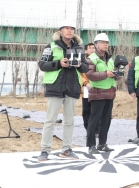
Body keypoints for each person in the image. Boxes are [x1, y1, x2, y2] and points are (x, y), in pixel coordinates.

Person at [37, 21, 87, 161]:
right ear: (60, 31)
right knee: (50, 120)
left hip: (72, 88)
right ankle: (45, 150)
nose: (69, 31)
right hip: (55, 87)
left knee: (70, 121)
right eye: (66, 28)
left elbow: (85, 68)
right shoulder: (51, 46)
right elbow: (42, 64)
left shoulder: (79, 48)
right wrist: (59, 63)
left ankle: (66, 149)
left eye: (71, 28)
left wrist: (79, 65)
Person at [85, 32, 117, 154]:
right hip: (97, 93)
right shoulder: (91, 59)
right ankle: (91, 145)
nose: (105, 45)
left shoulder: (110, 59)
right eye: (103, 43)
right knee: (94, 120)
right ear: (96, 44)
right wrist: (106, 74)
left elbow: (112, 75)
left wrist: (117, 75)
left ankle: (102, 144)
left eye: (107, 43)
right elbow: (90, 75)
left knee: (106, 120)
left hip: (110, 93)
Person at [80, 42, 98, 135]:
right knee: (87, 111)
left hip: (98, 89)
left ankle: (97, 130)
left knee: (97, 110)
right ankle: (89, 130)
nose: (92, 49)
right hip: (86, 89)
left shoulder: (99, 60)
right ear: (86, 50)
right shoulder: (82, 61)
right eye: (90, 48)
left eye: (93, 48)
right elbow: (80, 75)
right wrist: (86, 83)